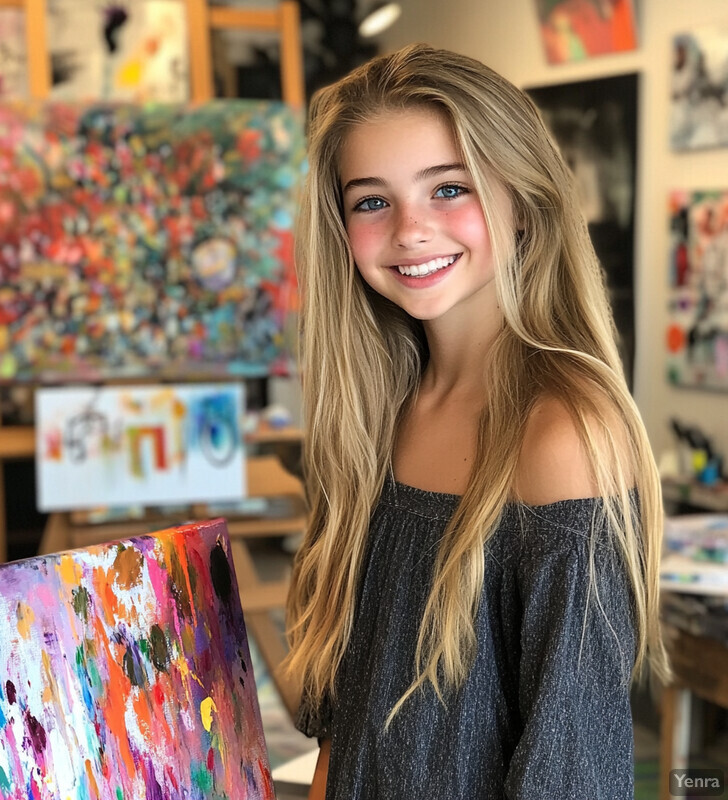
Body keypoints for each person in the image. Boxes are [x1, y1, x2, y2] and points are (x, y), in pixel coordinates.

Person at [284, 43, 670, 799]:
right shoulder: (376, 417)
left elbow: (573, 772)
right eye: (371, 200)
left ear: (522, 200)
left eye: (448, 188)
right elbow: (342, 715)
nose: (410, 229)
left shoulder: (561, 437)